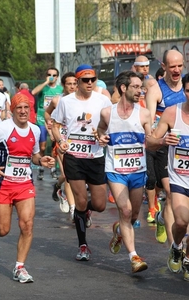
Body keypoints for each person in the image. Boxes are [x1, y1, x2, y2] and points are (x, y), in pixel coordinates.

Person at [0, 93, 55, 283]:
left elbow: (34, 155)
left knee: (27, 224)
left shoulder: (35, 130)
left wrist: (41, 160)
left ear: (30, 110)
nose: (22, 111)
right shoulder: (1, 128)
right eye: (18, 107)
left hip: (24, 184)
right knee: (4, 230)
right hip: (2, 184)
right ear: (12, 110)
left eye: (26, 108)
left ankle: (19, 267)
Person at [52, 64, 112, 261]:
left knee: (100, 204)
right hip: (74, 157)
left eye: (92, 79)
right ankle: (83, 245)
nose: (89, 83)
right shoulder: (66, 102)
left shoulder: (103, 100)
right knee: (79, 201)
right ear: (77, 82)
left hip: (95, 156)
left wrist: (104, 137)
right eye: (85, 80)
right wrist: (61, 141)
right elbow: (56, 125)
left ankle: (83, 212)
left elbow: (109, 127)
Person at [97, 71, 152, 273]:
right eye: (136, 87)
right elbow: (100, 130)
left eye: (141, 87)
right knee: (126, 210)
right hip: (115, 170)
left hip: (138, 170)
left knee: (134, 215)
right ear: (123, 88)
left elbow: (151, 139)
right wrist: (101, 137)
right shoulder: (107, 113)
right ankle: (134, 257)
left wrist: (159, 141)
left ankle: (119, 230)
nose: (140, 91)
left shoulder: (144, 114)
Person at [146, 73, 189, 280]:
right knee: (181, 222)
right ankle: (176, 245)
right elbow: (150, 143)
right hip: (179, 177)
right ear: (184, 92)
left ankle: (187, 259)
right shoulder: (173, 113)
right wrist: (164, 140)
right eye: (188, 91)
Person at [145, 49, 186, 245]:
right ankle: (174, 246)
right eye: (172, 67)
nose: (177, 70)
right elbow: (149, 124)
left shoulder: (187, 87)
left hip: (185, 148)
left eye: (180, 65)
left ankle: (162, 218)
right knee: (170, 192)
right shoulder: (156, 91)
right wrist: (159, 137)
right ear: (164, 67)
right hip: (165, 145)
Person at [47, 72, 77, 218]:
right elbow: (47, 114)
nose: (72, 86)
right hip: (61, 141)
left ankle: (58, 187)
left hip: (78, 142)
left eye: (75, 83)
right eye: (69, 84)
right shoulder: (57, 100)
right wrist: (51, 127)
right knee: (67, 175)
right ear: (64, 85)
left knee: (71, 177)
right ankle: (73, 209)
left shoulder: (81, 101)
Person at [32, 68, 63, 180]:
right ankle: (41, 167)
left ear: (57, 77)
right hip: (41, 118)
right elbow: (33, 92)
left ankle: (53, 168)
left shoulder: (60, 89)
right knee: (43, 146)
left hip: (56, 120)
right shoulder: (43, 88)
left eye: (54, 75)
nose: (51, 77)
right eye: (49, 74)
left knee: (55, 144)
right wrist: (45, 82)